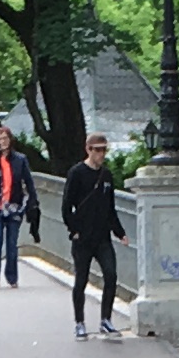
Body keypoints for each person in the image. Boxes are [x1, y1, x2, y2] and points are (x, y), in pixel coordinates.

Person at [64, 135, 124, 338]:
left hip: (102, 237)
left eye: (104, 150)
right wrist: (74, 230)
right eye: (97, 150)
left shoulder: (106, 176)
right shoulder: (76, 173)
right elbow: (66, 206)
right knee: (81, 279)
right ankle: (79, 322)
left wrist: (120, 232)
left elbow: (110, 208)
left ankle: (106, 319)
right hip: (82, 237)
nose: (101, 154)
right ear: (88, 149)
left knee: (111, 274)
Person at [0, 123, 39, 287]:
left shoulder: (20, 160)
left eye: (5, 138)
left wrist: (32, 202)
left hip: (14, 207)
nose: (3, 142)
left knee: (12, 243)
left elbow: (29, 183)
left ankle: (12, 278)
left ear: (10, 140)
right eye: (0, 139)